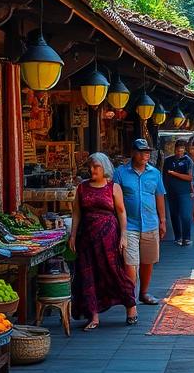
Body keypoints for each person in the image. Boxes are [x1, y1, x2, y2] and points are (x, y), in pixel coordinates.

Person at [69, 153, 138, 329]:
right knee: (88, 275)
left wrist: (124, 235)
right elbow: (76, 213)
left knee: (113, 271)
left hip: (109, 237)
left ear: (105, 168)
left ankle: (131, 306)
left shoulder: (113, 187)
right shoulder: (82, 188)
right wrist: (73, 235)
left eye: (96, 167)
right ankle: (94, 316)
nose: (92, 170)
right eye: (91, 166)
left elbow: (121, 212)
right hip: (87, 238)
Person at [113, 139, 167, 306]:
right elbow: (114, 197)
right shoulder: (120, 173)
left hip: (150, 223)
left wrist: (163, 220)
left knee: (147, 261)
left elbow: (159, 196)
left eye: (147, 151)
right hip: (128, 225)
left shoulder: (155, 173)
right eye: (142, 151)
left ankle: (143, 293)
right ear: (133, 153)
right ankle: (131, 298)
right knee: (131, 263)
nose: (146, 154)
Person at [163, 139, 194, 246]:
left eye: (181, 149)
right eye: (177, 149)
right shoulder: (168, 160)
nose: (179, 151)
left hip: (184, 191)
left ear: (184, 149)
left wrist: (174, 173)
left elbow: (189, 177)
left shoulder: (187, 161)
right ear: (175, 149)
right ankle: (178, 237)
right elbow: (164, 176)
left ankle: (187, 237)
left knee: (185, 215)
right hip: (170, 192)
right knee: (174, 214)